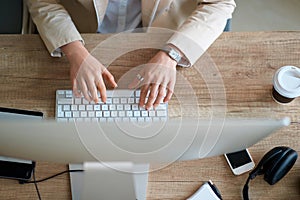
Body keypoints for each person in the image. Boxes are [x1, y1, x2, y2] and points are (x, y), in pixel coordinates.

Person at [26, 0, 236, 110]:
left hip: (159, 38)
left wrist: (172, 54)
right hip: (80, 34)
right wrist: (74, 50)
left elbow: (220, 3)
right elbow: (42, 1)